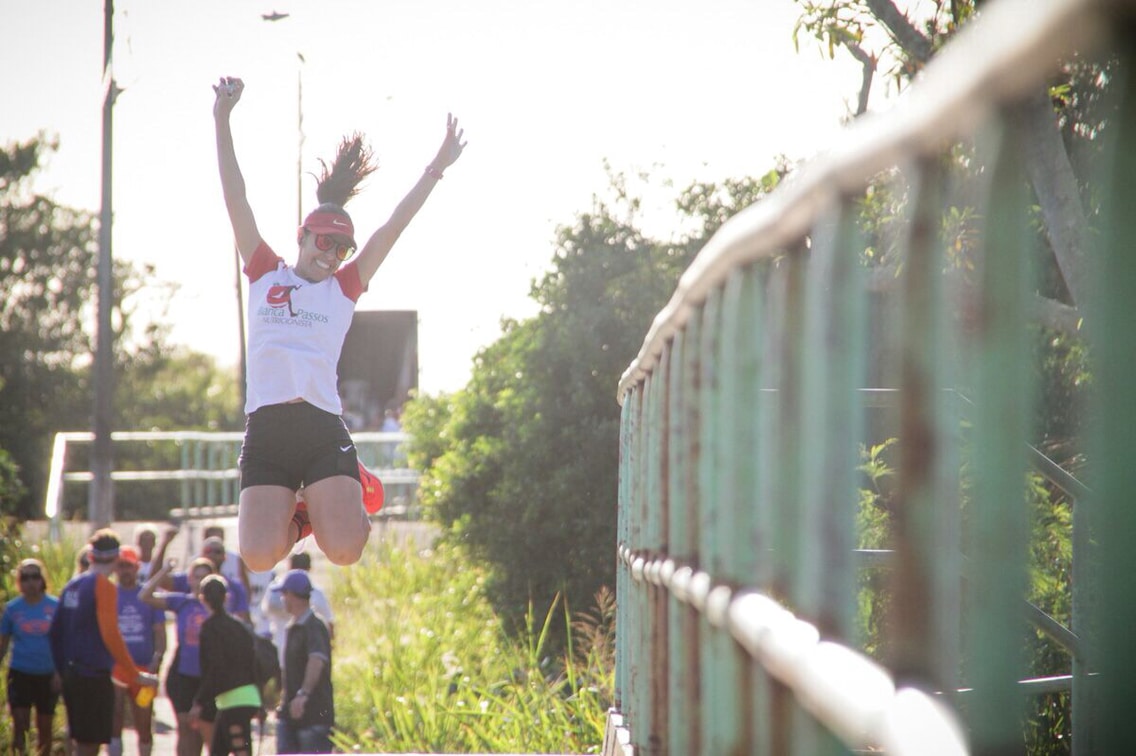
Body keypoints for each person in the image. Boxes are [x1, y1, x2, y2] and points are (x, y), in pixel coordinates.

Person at [214, 75, 466, 572]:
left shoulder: (343, 289)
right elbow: (236, 198)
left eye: (342, 248)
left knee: (347, 551)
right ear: (303, 236)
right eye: (323, 242)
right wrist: (222, 118)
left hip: (319, 425)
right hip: (266, 427)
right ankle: (303, 514)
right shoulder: (265, 270)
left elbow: (392, 226)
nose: (331, 256)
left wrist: (437, 167)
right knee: (259, 556)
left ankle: (346, 478)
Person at [49, 530, 158, 756]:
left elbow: (54, 632)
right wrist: (133, 672)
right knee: (90, 744)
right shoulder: (103, 586)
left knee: (78, 739)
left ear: (91, 556)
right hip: (93, 675)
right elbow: (110, 633)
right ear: (117, 558)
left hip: (71, 674)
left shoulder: (73, 585)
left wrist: (59, 670)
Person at [140, 557, 216, 756]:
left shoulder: (218, 606)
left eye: (204, 577)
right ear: (189, 579)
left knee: (202, 728)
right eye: (196, 577)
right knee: (185, 727)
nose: (199, 581)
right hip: (182, 674)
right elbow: (145, 596)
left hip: (207, 677)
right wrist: (165, 571)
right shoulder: (182, 601)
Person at [192, 575, 262, 756]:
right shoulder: (240, 626)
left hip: (233, 703)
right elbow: (253, 663)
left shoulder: (208, 628)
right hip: (246, 698)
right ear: (226, 597)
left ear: (202, 599)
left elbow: (213, 669)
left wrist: (199, 702)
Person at [111, 546, 167, 756]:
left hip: (143, 669)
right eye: (121, 566)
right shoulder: (109, 594)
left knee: (143, 721)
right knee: (114, 719)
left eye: (129, 566)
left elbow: (160, 633)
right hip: (116, 669)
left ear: (137, 568)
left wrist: (157, 660)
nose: (125, 570)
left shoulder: (147, 596)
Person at [0, 558, 60, 756]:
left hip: (47, 674)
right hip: (20, 674)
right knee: (20, 727)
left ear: (42, 579)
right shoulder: (12, 609)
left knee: (45, 729)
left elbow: (63, 644)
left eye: (35, 576)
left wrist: (60, 674)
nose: (31, 582)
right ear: (19, 582)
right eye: (25, 577)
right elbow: (3, 645)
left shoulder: (55, 606)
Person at [274, 570, 334, 753]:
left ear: (292, 595)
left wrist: (303, 694)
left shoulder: (314, 626)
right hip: (290, 713)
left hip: (314, 713)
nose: (282, 599)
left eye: (284, 594)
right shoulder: (294, 625)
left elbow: (316, 660)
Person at [261, 552, 334, 668]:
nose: (283, 598)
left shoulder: (274, 593)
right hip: (304, 658)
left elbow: (265, 612)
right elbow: (330, 623)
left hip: (280, 657)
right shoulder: (317, 594)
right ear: (310, 567)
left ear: (289, 566)